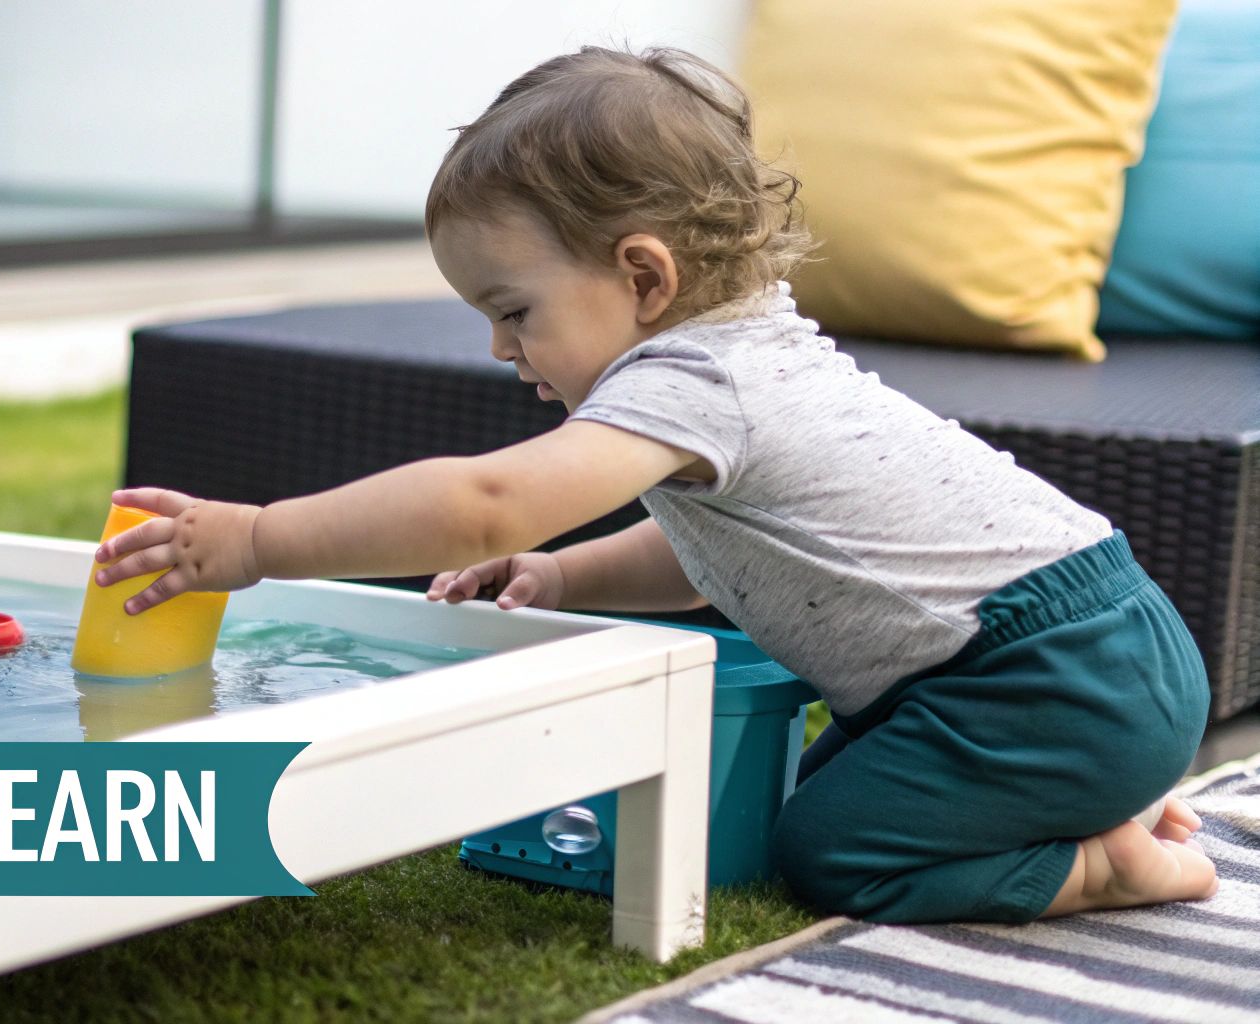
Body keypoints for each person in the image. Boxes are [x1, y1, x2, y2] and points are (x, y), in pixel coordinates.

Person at [91, 45, 1215, 923]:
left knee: (829, 848)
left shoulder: (697, 379)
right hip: (1078, 657)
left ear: (641, 275)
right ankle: (1094, 789)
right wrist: (560, 570)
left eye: (513, 312)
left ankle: (1100, 866)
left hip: (1050, 674)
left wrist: (253, 541)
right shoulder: (740, 363)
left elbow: (487, 497)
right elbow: (707, 554)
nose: (499, 349)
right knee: (830, 792)